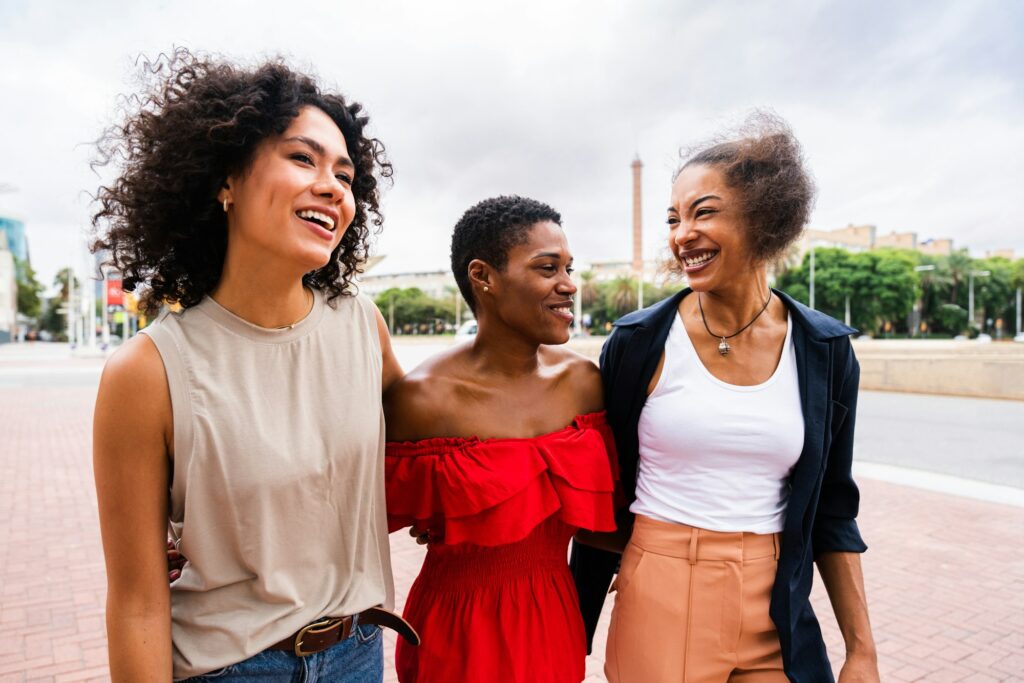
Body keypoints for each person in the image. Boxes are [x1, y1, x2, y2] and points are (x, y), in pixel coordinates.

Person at [91, 49, 416, 682]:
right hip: (229, 668)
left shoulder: (361, 325)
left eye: (346, 176)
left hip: (358, 654)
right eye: (303, 158)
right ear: (225, 180)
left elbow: (435, 440)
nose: (332, 186)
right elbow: (135, 602)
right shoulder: (147, 371)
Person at [570, 114, 880, 682]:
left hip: (778, 601)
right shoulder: (639, 343)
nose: (681, 232)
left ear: (766, 219)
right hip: (664, 589)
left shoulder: (825, 350)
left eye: (703, 212)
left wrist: (862, 650)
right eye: (673, 217)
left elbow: (834, 506)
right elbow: (596, 482)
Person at [384, 196, 619, 683]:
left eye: (569, 268)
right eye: (547, 268)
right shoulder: (420, 400)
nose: (569, 285)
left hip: (555, 618)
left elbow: (605, 517)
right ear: (483, 277)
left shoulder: (584, 384)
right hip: (455, 630)